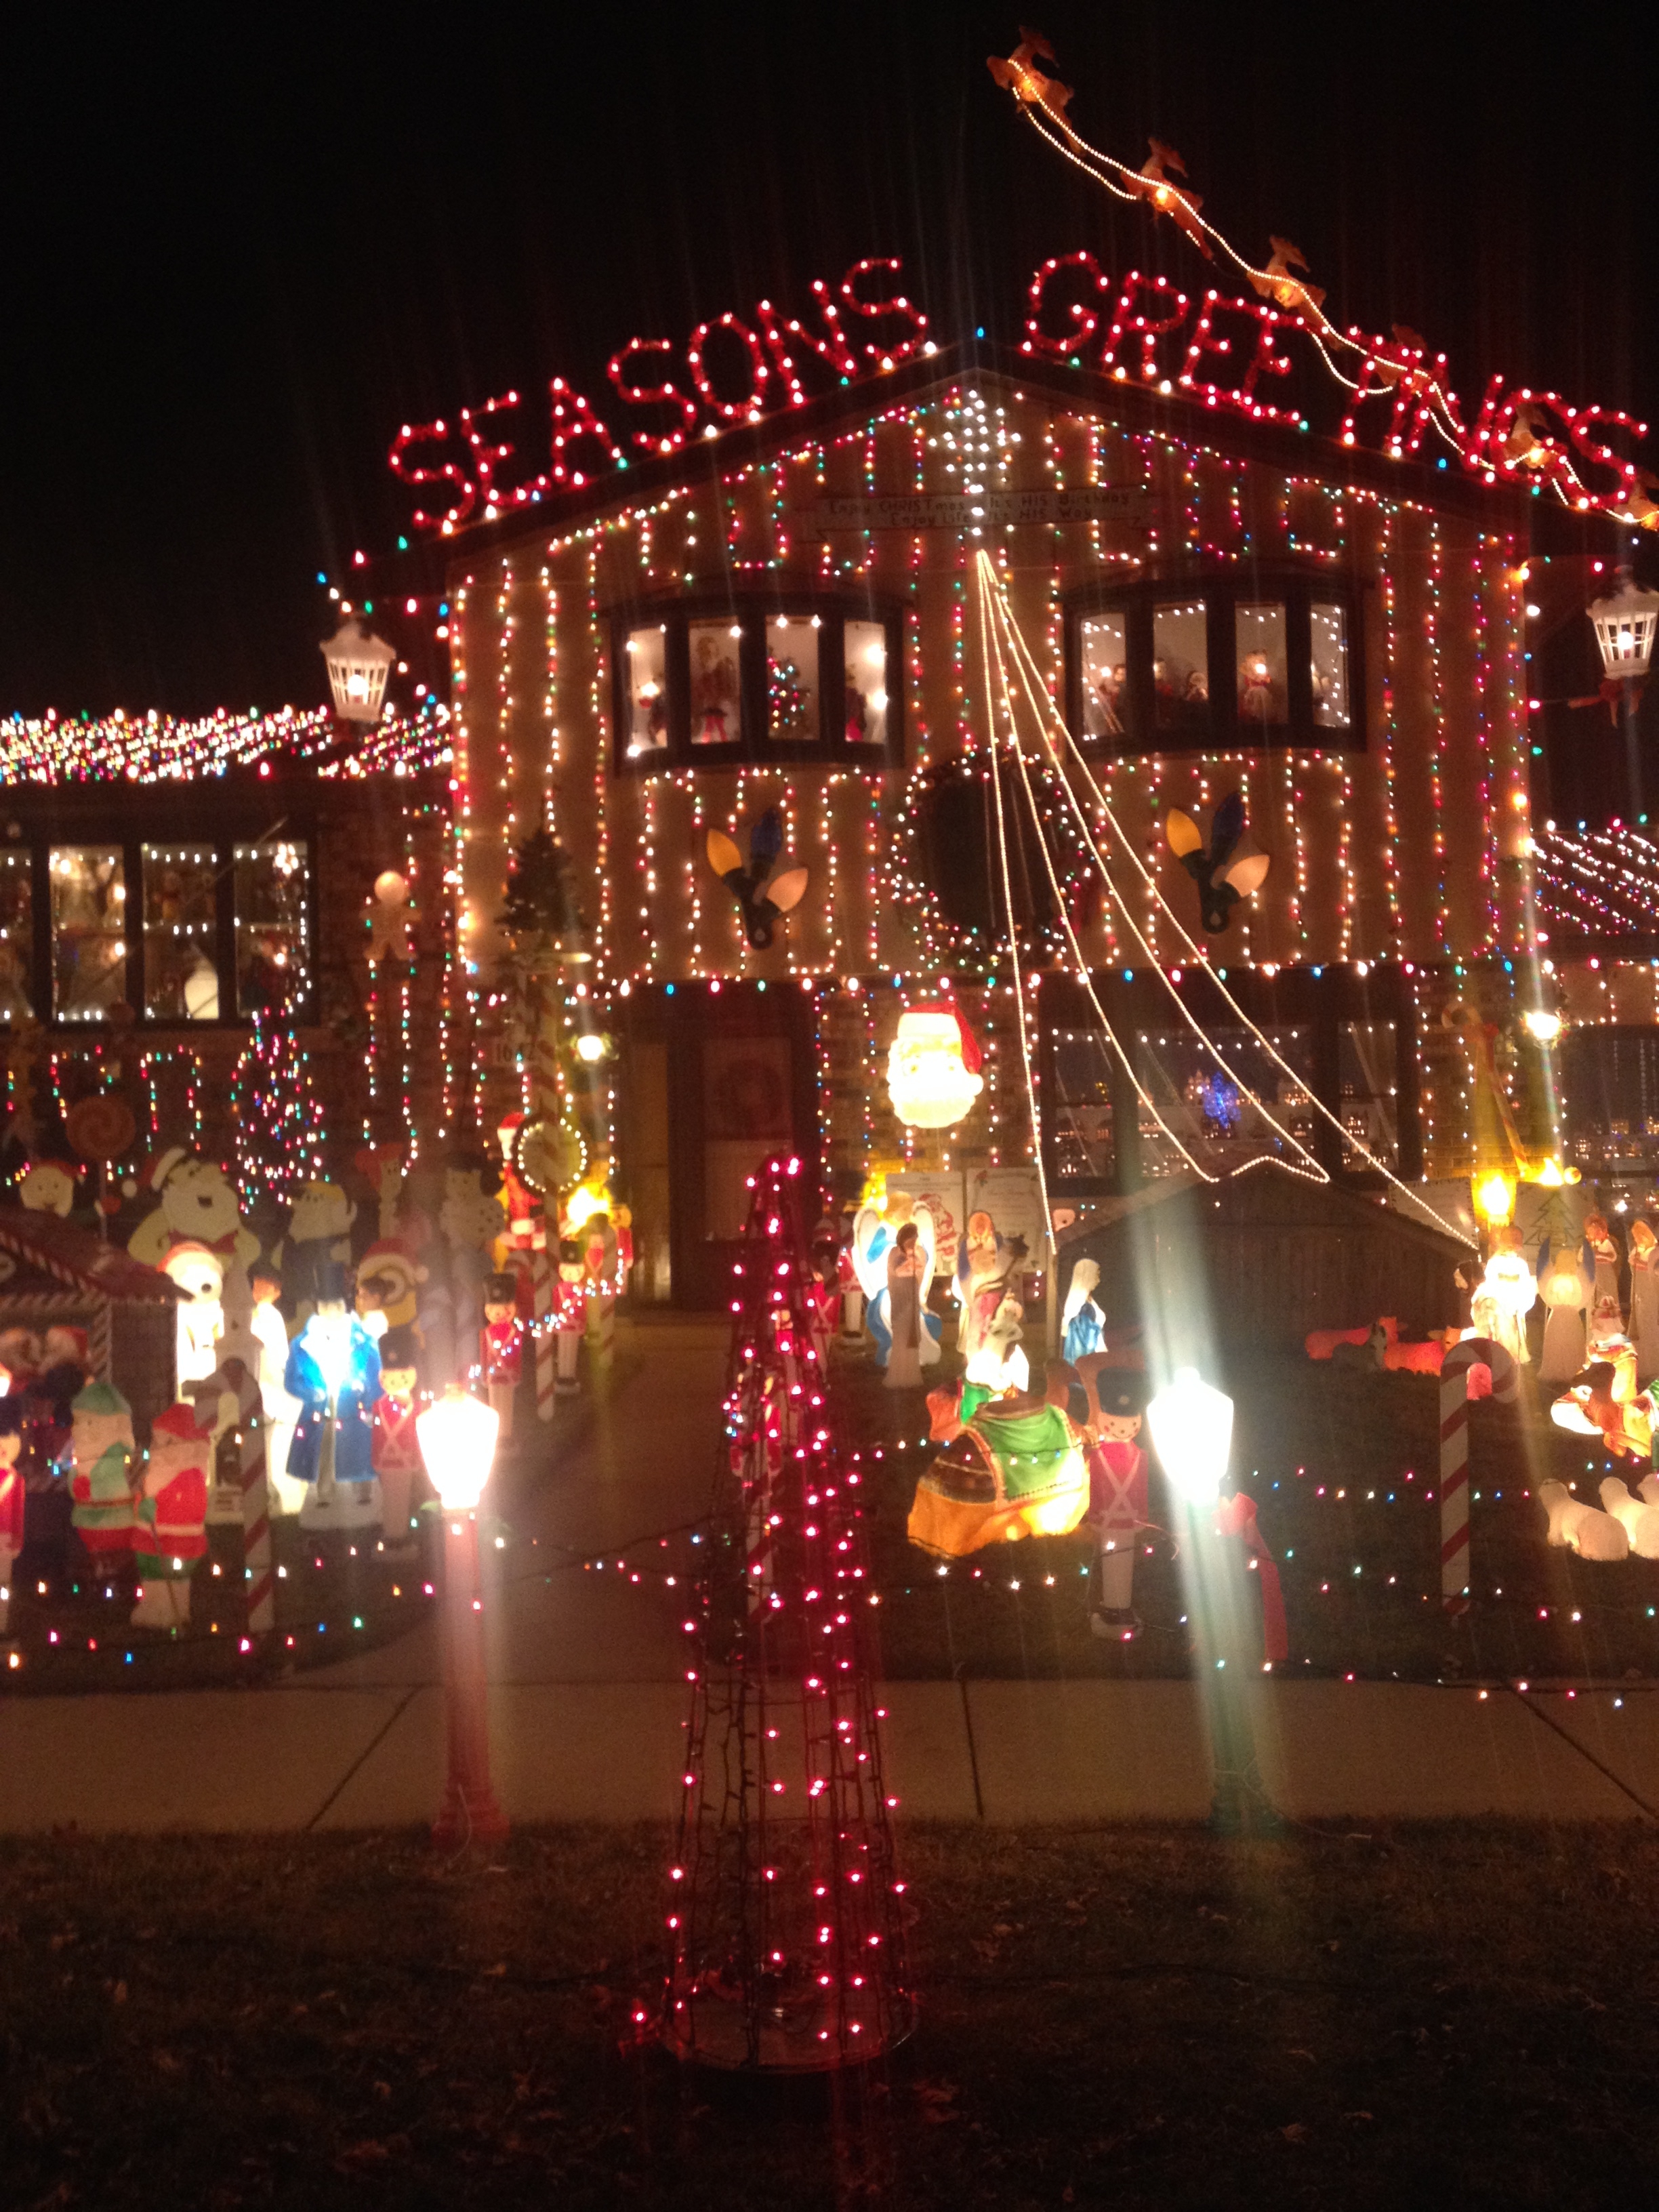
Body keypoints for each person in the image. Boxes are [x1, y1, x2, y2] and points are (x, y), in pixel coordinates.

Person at [372, 1325, 425, 1556]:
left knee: (402, 1498)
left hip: (405, 1460)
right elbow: (377, 1434)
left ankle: (400, 1534)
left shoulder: (416, 1408)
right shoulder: (378, 1406)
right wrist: (376, 1458)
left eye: (401, 1377)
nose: (395, 1382)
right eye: (390, 1377)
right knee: (388, 1498)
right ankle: (390, 1533)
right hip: (387, 1461)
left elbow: (417, 1435)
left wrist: (417, 1458)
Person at [885, 1222, 926, 1391]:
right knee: (901, 1334)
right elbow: (895, 1271)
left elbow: (920, 1270)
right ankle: (899, 1375)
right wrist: (908, 1261)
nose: (912, 1244)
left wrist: (914, 1259)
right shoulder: (895, 1252)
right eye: (910, 1241)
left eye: (914, 1240)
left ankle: (911, 1374)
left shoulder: (916, 1253)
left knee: (912, 1335)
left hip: (912, 1298)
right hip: (900, 1299)